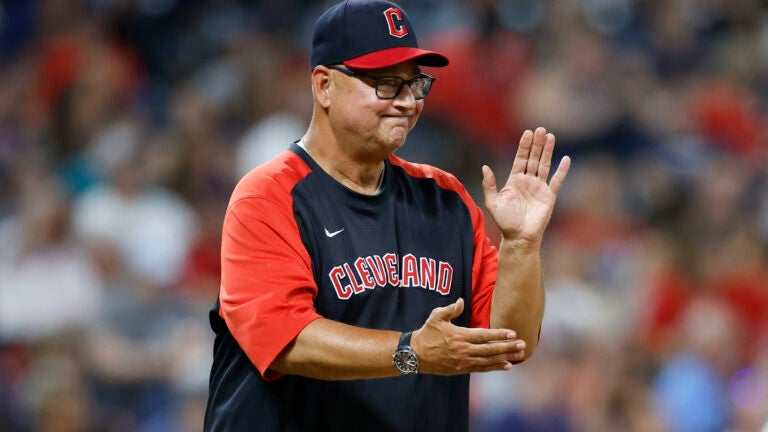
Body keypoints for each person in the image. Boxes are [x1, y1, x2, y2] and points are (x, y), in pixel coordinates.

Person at [204, 1, 570, 431]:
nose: (406, 102)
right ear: (324, 86)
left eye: (414, 84)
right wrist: (411, 350)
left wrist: (521, 247)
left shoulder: (444, 198)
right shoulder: (268, 196)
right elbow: (287, 340)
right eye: (384, 83)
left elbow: (511, 342)